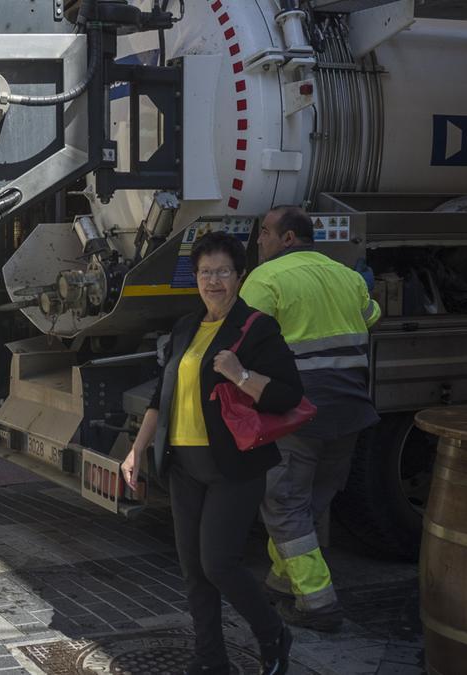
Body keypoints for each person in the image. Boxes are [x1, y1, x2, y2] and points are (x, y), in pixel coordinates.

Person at [121, 231, 301, 675]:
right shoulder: (185, 327)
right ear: (196, 278)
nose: (214, 281)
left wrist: (239, 374)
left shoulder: (256, 327)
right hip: (183, 467)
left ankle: (272, 632)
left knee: (219, 564)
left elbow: (288, 395)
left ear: (240, 276)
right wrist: (136, 451)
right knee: (194, 573)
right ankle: (210, 661)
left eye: (223, 271)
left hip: (232, 468)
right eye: (205, 272)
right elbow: (161, 398)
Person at [242, 205, 381, 632]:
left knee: (284, 505)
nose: (259, 240)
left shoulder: (266, 279)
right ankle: (281, 584)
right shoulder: (346, 275)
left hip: (298, 412)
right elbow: (371, 316)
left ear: (287, 238)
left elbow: (240, 335)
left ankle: (318, 602)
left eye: (265, 231)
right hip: (352, 408)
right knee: (312, 500)